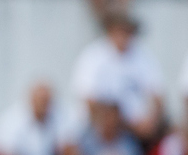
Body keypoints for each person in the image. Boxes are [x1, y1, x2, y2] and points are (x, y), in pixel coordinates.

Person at [69, 11, 163, 144]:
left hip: (139, 130)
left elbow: (158, 96)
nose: (124, 36)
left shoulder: (144, 56)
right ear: (109, 31)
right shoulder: (93, 56)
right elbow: (89, 100)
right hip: (99, 128)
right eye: (120, 31)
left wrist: (152, 121)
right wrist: (126, 124)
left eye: (128, 32)